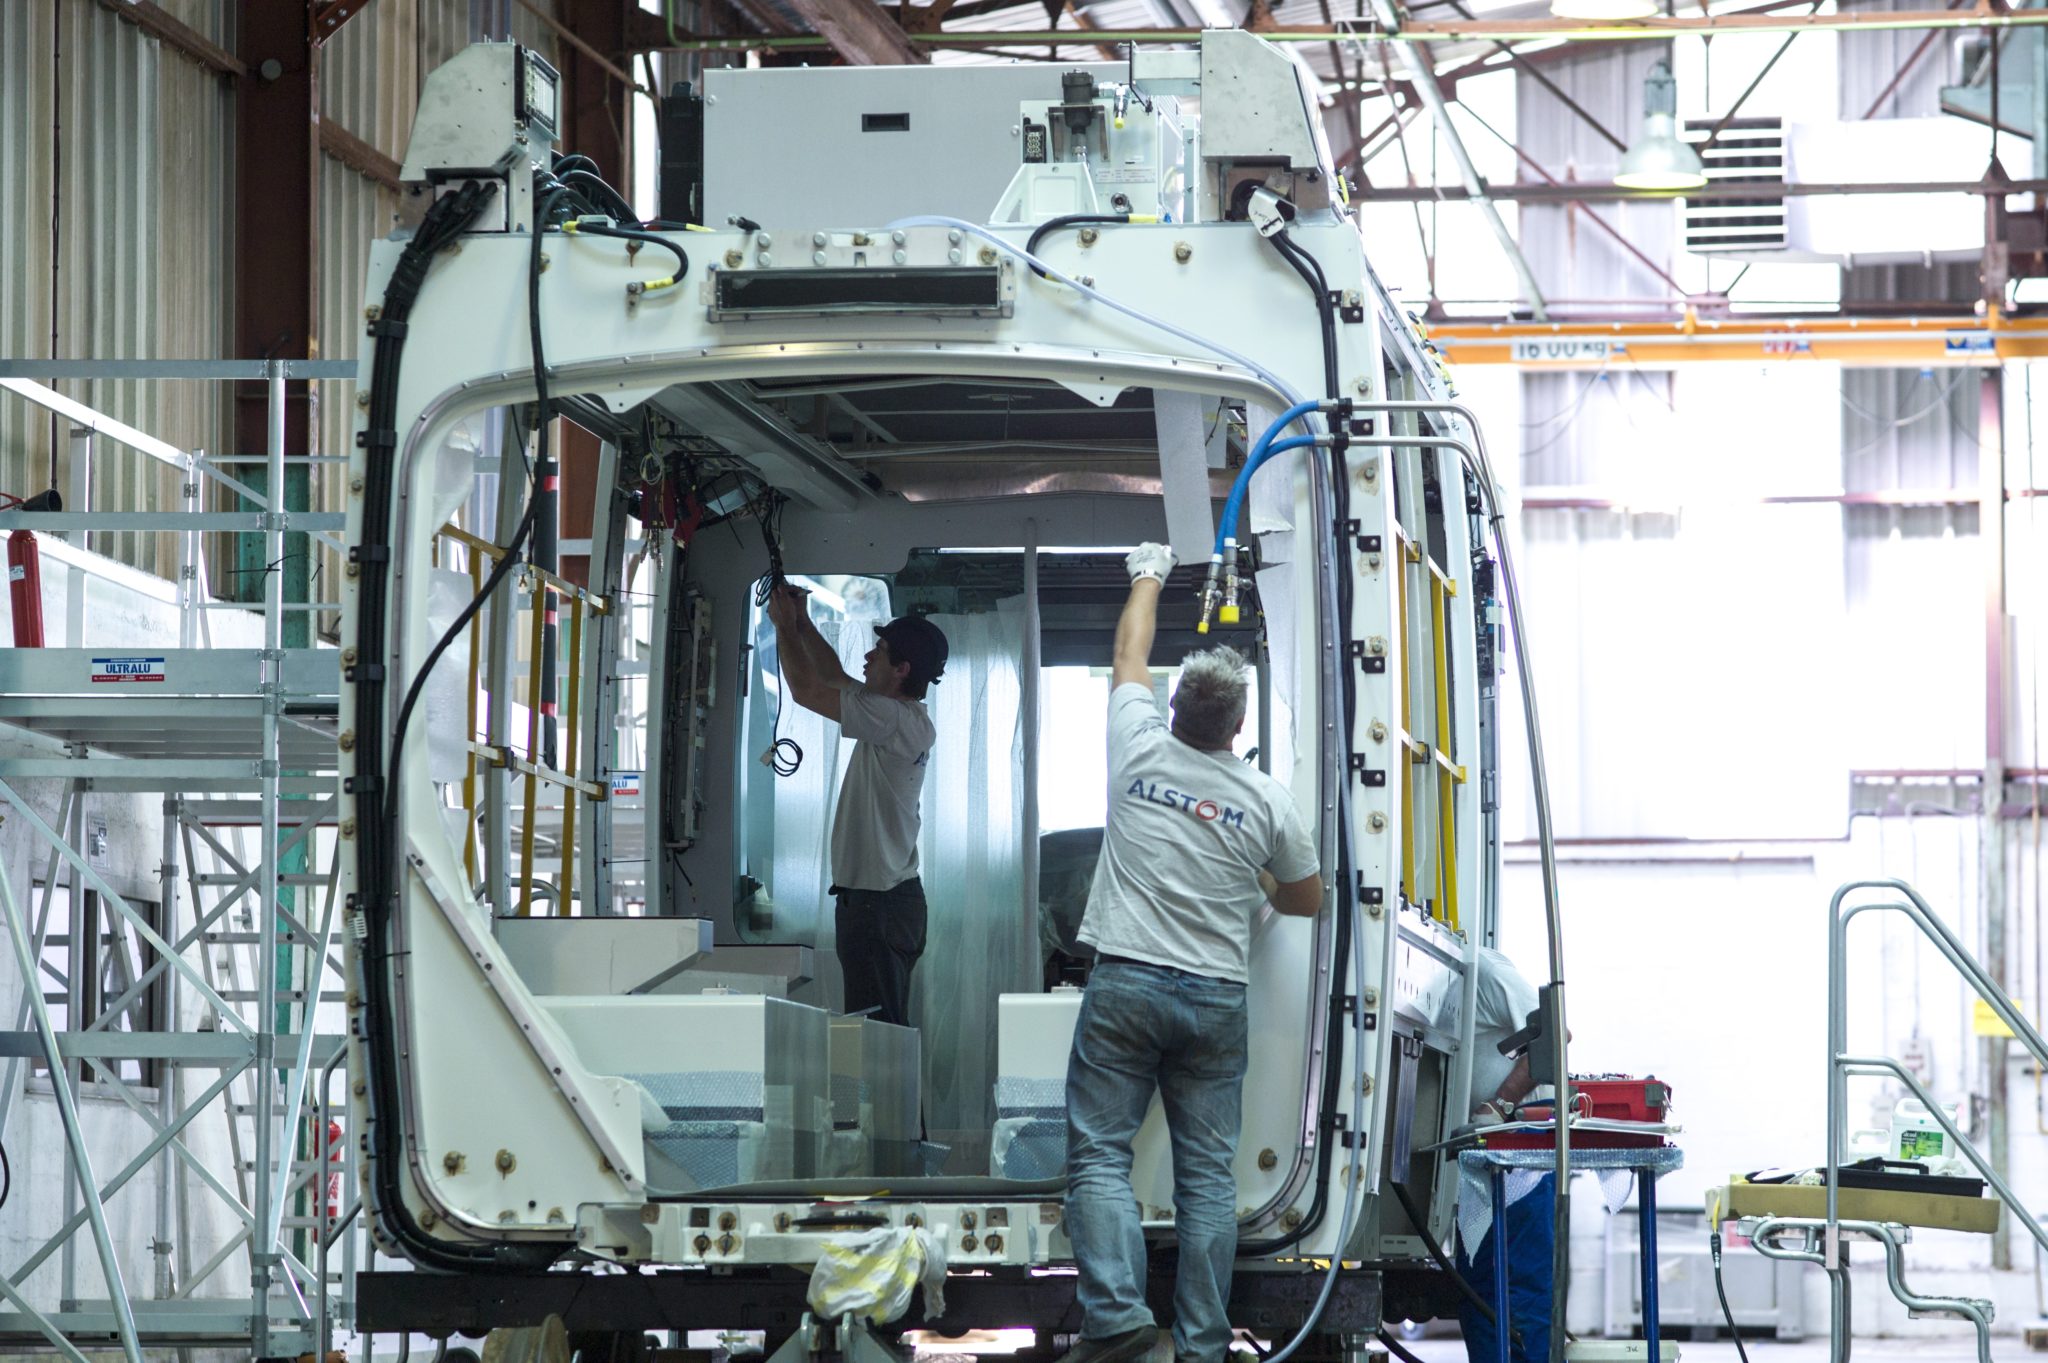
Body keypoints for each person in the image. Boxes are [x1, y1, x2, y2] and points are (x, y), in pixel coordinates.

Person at [1060, 542, 1325, 1363]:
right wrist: (1254, 889)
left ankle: (1118, 1323)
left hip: (1127, 984)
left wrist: (1150, 573)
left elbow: (1126, 651)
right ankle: (1204, 1344)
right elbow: (1308, 897)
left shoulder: (1136, 744)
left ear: (1171, 705)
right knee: (1207, 1179)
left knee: (1100, 1151)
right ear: (1237, 726)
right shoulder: (1264, 799)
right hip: (1215, 998)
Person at [764, 583, 949, 1030]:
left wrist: (784, 628)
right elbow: (832, 677)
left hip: (877, 908)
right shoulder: (896, 713)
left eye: (879, 652)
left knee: (872, 1043)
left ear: (901, 669)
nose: (867, 658)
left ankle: (874, 1103)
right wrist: (803, 623)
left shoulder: (890, 718)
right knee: (880, 1037)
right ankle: (880, 1102)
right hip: (886, 904)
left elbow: (807, 690)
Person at [1459, 947, 1552, 1363]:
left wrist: (1501, 1102)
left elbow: (1554, 1035)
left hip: (1521, 1147)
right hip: (1482, 1157)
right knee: (1479, 1291)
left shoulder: (1486, 972)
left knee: (1516, 1288)